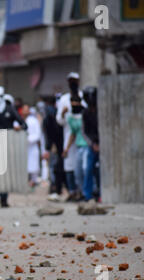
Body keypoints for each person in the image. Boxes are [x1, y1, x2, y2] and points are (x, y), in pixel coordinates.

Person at [56, 72, 87, 201]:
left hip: (83, 136)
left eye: (74, 80)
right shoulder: (64, 99)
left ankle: (83, 191)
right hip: (69, 133)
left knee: (84, 166)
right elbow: (59, 120)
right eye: (70, 80)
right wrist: (63, 114)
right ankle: (72, 191)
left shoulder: (84, 97)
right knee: (69, 164)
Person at [63, 95, 87, 200]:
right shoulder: (71, 117)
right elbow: (73, 134)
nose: (74, 105)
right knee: (78, 172)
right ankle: (81, 192)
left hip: (88, 146)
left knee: (86, 169)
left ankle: (90, 193)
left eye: (76, 102)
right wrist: (67, 149)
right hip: (79, 146)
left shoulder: (86, 114)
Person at [42, 96, 66, 201]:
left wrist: (48, 147)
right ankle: (56, 188)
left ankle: (55, 188)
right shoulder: (51, 114)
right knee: (55, 167)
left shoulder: (51, 115)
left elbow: (50, 134)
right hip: (57, 146)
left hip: (57, 146)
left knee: (54, 167)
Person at [82, 87, 100, 202]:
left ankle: (102, 194)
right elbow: (84, 132)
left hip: (103, 144)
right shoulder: (86, 113)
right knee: (88, 169)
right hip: (92, 145)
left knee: (102, 171)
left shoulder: (101, 111)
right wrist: (92, 144)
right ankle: (87, 195)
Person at [24, 105, 41, 188]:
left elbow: (38, 134)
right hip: (24, 147)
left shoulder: (34, 121)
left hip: (32, 146)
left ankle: (33, 182)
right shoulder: (21, 120)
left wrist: (28, 140)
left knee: (33, 165)